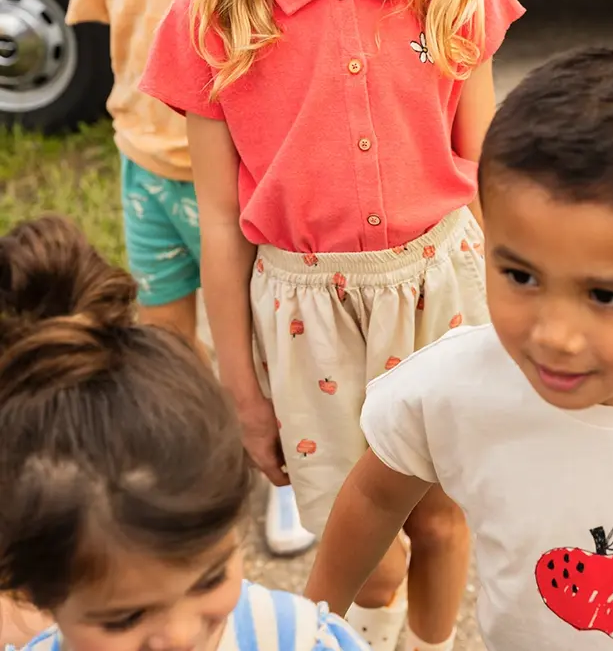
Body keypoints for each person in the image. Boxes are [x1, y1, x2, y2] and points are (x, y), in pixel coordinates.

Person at [140, 0, 524, 650]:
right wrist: (241, 389)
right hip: (304, 317)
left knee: (439, 519)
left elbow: (488, 174)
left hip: (443, 295)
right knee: (368, 543)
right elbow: (220, 221)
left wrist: (524, 310)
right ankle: (350, 634)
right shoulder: (211, 9)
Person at [304, 47, 613, 648]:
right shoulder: (451, 388)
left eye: (604, 295)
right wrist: (312, 620)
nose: (553, 335)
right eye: (520, 276)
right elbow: (372, 495)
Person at [65, 0, 310, 556]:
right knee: (169, 342)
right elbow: (110, 27)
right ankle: (211, 463)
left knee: (263, 336)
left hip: (241, 176)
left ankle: (290, 467)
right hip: (143, 169)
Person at [0, 214, 368, 651]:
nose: (181, 635)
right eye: (125, 617)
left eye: (210, 578)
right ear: (30, 594)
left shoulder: (303, 642)